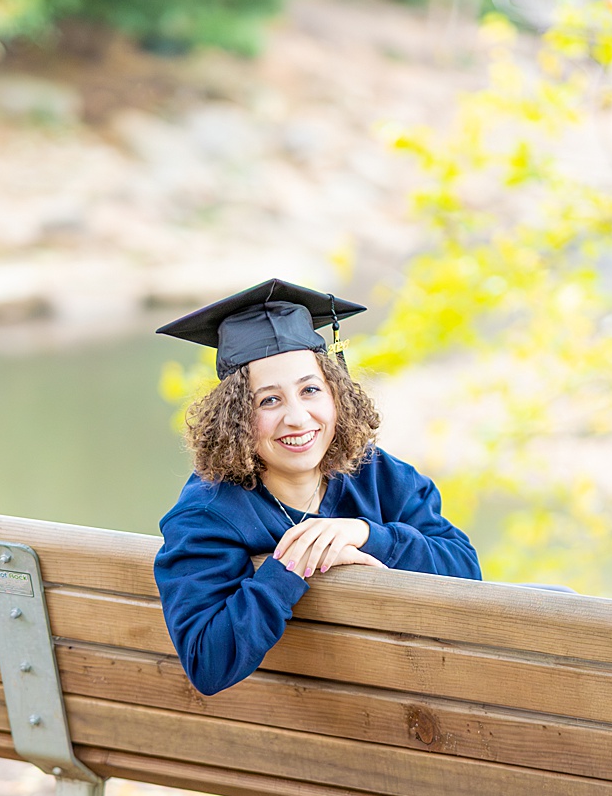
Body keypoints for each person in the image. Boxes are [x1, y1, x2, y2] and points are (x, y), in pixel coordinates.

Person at [152, 279, 479, 697]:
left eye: (310, 390)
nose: (297, 417)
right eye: (268, 401)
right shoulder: (208, 516)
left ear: (335, 394)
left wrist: (364, 535)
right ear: (234, 417)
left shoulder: (372, 471)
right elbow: (207, 663)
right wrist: (295, 563)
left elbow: (466, 571)